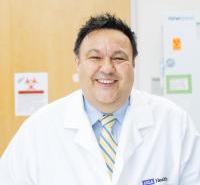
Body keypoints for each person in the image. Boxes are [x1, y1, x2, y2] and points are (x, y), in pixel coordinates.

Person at [0, 13, 200, 185]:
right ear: (78, 63)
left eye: (119, 58)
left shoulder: (174, 122)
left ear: (133, 64)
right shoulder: (39, 129)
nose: (106, 68)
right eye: (95, 57)